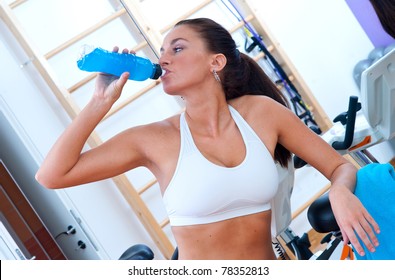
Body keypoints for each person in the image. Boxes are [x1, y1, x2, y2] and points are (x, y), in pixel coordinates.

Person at [35, 18, 380, 260]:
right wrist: (98, 103)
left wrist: (339, 190)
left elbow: (338, 167)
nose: (162, 58)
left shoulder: (262, 113)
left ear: (216, 61)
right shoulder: (155, 139)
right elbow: (52, 176)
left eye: (177, 48)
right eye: (162, 50)